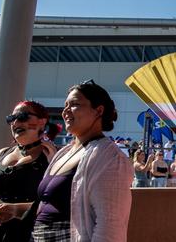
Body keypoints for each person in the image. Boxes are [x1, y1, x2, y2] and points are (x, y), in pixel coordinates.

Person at [32, 80, 133, 242]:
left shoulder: (110, 158)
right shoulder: (63, 152)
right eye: (65, 105)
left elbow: (110, 224)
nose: (65, 111)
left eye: (74, 104)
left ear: (98, 111)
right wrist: (16, 210)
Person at [0, 101, 57, 242]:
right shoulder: (1, 154)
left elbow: (56, 203)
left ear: (42, 122)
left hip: (27, 234)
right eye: (11, 118)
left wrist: (15, 210)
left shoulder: (53, 156)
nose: (15, 122)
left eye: (22, 116)